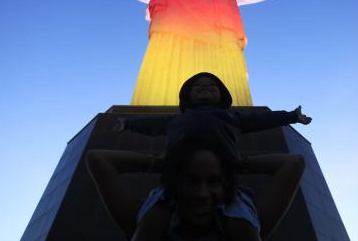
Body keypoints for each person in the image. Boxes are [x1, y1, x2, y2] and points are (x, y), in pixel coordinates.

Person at [54, 0, 331, 106]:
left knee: (224, 82)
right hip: (173, 34)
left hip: (219, 38)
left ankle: (228, 109)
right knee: (161, 88)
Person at [86, 133, 306, 240]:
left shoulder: (242, 228)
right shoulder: (150, 224)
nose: (202, 194)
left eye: (213, 181)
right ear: (174, 185)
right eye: (190, 180)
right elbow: (97, 159)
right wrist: (164, 163)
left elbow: (294, 163)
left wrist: (232, 163)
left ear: (227, 186)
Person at [112, 72, 312, 162]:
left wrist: (292, 116)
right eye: (197, 87)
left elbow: (260, 120)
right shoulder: (176, 119)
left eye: (211, 86)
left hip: (225, 169)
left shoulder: (232, 116)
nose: (204, 88)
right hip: (178, 170)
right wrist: (128, 123)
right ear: (187, 96)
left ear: (222, 94)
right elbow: (152, 124)